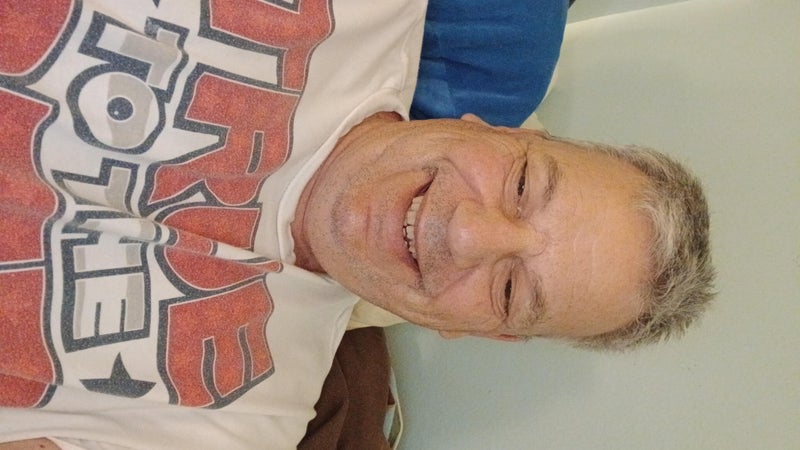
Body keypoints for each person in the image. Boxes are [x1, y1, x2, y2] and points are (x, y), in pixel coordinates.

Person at [0, 0, 714, 448]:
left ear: (473, 331)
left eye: (509, 291)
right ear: (501, 129)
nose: (469, 235)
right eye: (524, 185)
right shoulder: (358, 12)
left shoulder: (235, 422)